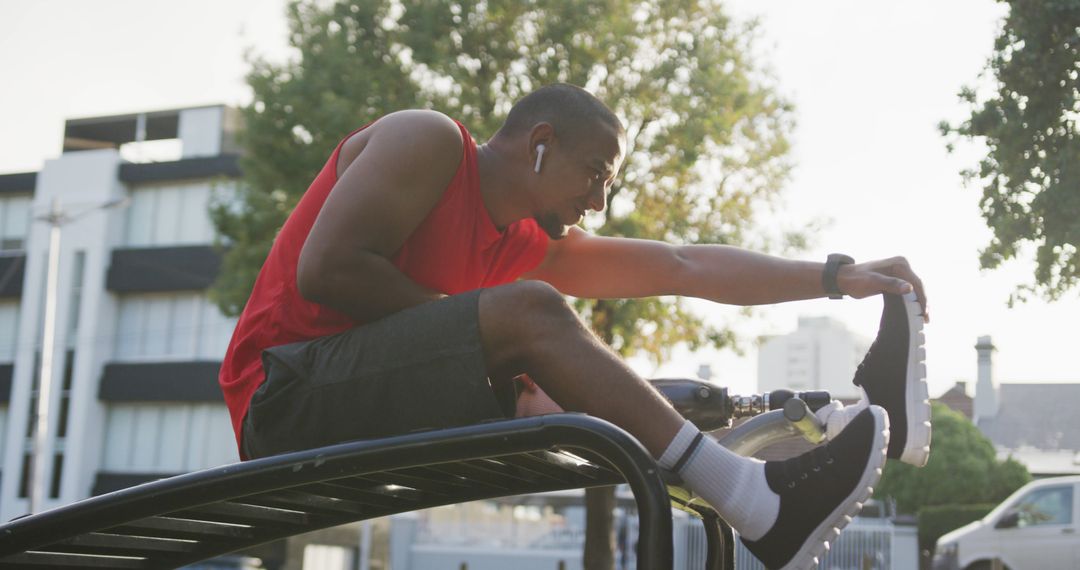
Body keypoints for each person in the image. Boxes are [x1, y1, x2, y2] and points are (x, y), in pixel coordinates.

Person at [219, 83, 930, 570]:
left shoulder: (521, 243)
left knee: (578, 375)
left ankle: (830, 421)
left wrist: (837, 277)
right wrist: (482, 334)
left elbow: (682, 265)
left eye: (608, 185)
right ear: (539, 142)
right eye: (593, 173)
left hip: (357, 405)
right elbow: (328, 270)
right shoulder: (429, 143)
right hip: (282, 398)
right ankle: (755, 501)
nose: (598, 199)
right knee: (531, 316)